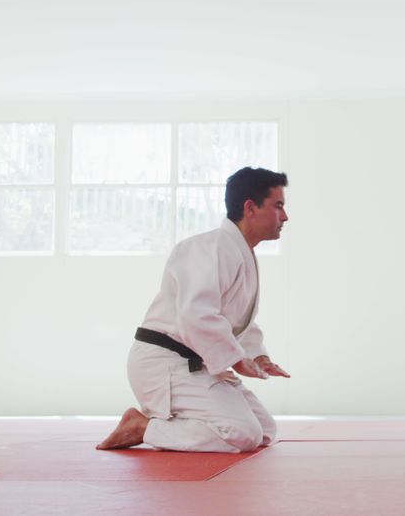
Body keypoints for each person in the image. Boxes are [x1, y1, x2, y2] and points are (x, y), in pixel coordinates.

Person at [97, 167, 291, 452]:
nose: (284, 217)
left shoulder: (238, 252)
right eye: (278, 206)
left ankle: (174, 422)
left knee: (264, 430)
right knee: (243, 434)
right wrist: (237, 360)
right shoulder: (206, 248)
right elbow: (196, 316)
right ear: (250, 208)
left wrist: (257, 355)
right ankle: (143, 427)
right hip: (165, 363)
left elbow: (234, 320)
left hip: (198, 364)